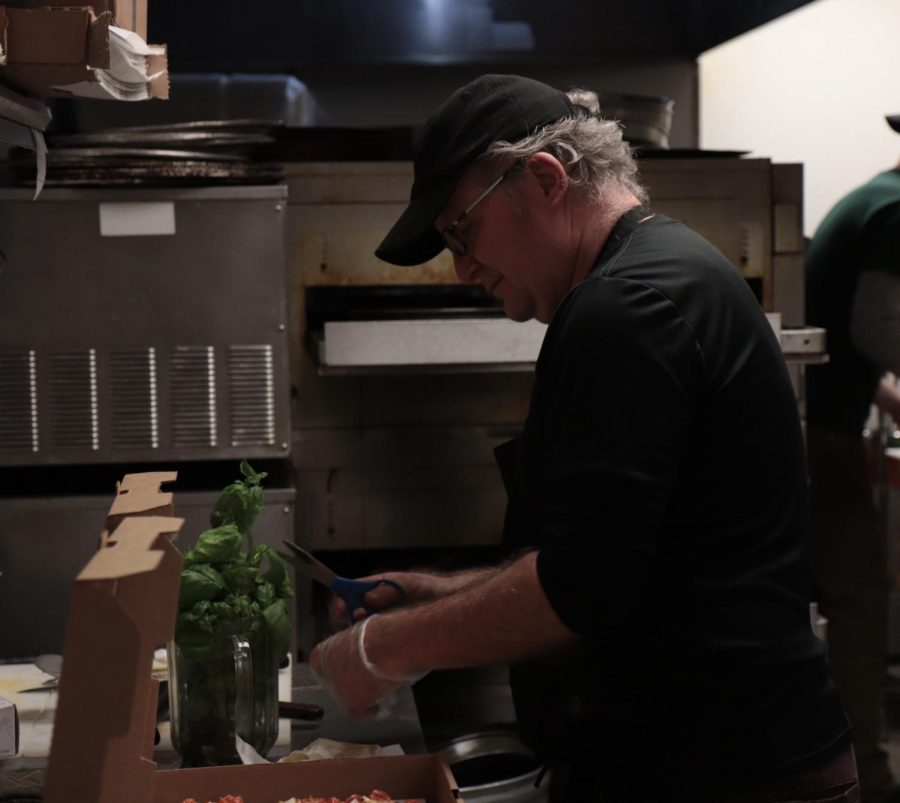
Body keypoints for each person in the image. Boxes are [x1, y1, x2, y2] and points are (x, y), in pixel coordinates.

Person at [310, 74, 856, 802]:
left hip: (723, 774)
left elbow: (579, 591)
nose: (462, 267)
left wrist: (386, 648)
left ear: (543, 178)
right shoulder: (657, 276)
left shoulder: (624, 309)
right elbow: (622, 565)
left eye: (459, 231)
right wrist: (434, 595)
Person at [805, 113, 900, 803]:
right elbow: (878, 326)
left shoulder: (877, 196)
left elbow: (860, 330)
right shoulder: (896, 210)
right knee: (858, 600)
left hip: (815, 424)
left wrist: (889, 394)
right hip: (819, 436)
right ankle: (865, 779)